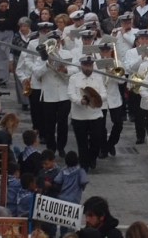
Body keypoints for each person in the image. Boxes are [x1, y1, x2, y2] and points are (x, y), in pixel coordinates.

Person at [34, 30, 74, 158]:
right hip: (49, 94)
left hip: (64, 93)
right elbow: (36, 73)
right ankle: (51, 147)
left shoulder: (67, 53)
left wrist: (65, 69)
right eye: (52, 40)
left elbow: (76, 69)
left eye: (56, 40)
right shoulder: (41, 56)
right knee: (49, 124)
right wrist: (47, 64)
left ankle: (61, 147)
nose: (55, 43)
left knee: (63, 122)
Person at [68, 56, 108, 171]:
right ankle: (84, 164)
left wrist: (97, 99)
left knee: (96, 139)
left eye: (90, 65)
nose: (87, 67)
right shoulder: (74, 78)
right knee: (82, 141)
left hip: (95, 114)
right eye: (85, 65)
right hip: (79, 115)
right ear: (81, 65)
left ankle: (92, 158)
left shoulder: (98, 78)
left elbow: (104, 94)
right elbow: (71, 94)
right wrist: (80, 101)